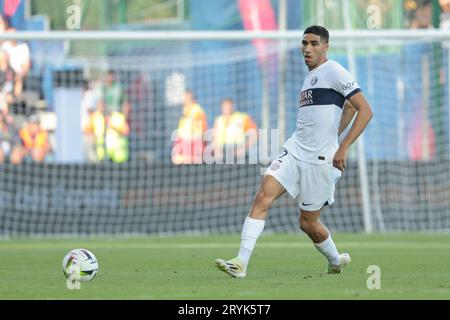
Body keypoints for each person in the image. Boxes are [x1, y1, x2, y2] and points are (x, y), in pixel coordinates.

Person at [215, 26, 373, 278]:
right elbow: (349, 109)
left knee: (307, 223)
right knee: (262, 197)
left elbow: (363, 109)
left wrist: (342, 146)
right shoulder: (309, 77)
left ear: (325, 46)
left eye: (313, 43)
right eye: (304, 43)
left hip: (320, 160)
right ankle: (241, 262)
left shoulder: (334, 71)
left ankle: (336, 260)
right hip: (294, 149)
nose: (307, 49)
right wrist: (335, 133)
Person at [213, 98, 257, 163]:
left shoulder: (242, 118)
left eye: (229, 105)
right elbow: (214, 139)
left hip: (238, 153)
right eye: (225, 106)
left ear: (232, 106)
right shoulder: (218, 120)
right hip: (222, 154)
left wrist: (244, 148)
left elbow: (254, 134)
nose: (227, 108)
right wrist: (216, 152)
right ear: (221, 107)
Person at [171, 90, 207, 164]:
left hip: (194, 152)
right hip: (184, 150)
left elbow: (199, 135)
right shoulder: (185, 113)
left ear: (192, 100)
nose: (184, 101)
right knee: (176, 159)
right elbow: (180, 134)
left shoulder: (198, 113)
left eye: (186, 99)